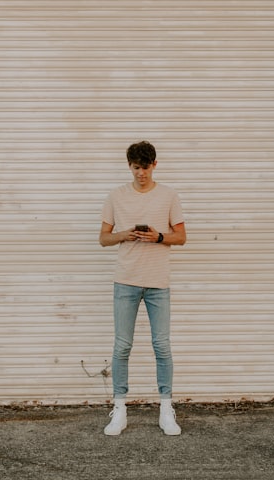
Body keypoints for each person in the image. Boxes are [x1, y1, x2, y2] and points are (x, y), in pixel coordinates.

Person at [98, 140, 187, 436]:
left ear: (154, 165)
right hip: (126, 280)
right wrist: (125, 234)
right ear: (129, 166)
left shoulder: (169, 195)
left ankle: (166, 408)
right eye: (136, 168)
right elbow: (104, 238)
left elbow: (181, 236)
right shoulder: (116, 196)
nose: (141, 174)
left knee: (162, 346)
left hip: (158, 282)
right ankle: (120, 409)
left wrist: (158, 237)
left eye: (146, 168)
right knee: (122, 346)